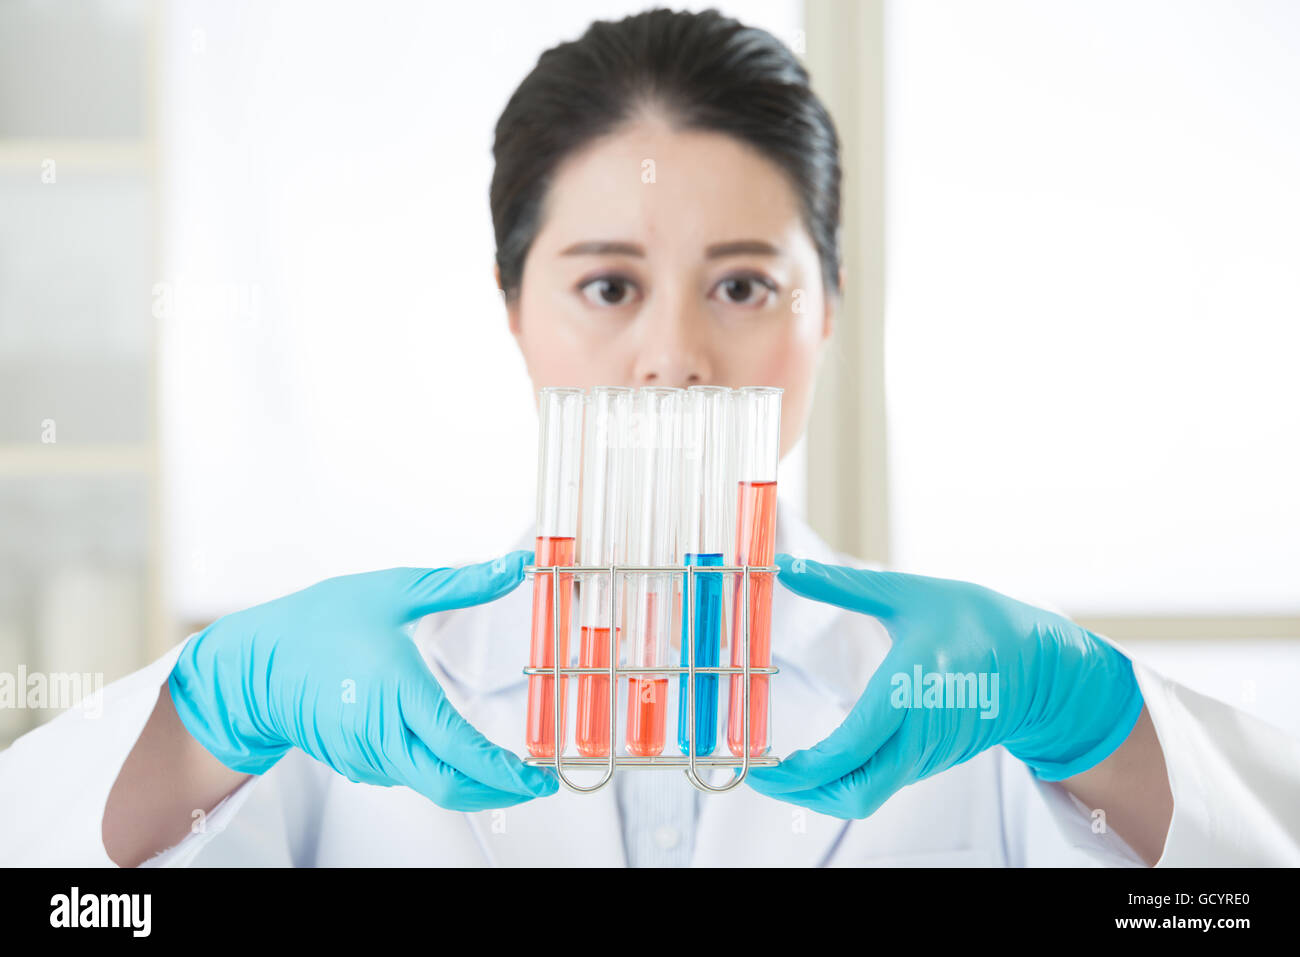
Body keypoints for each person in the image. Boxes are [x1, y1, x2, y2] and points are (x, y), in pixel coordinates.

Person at [3, 7, 1297, 868]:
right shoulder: (346, 722)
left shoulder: (986, 712)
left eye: (743, 285)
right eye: (609, 285)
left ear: (829, 311)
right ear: (513, 311)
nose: (674, 355)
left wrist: (1099, 720)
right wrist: (204, 716)